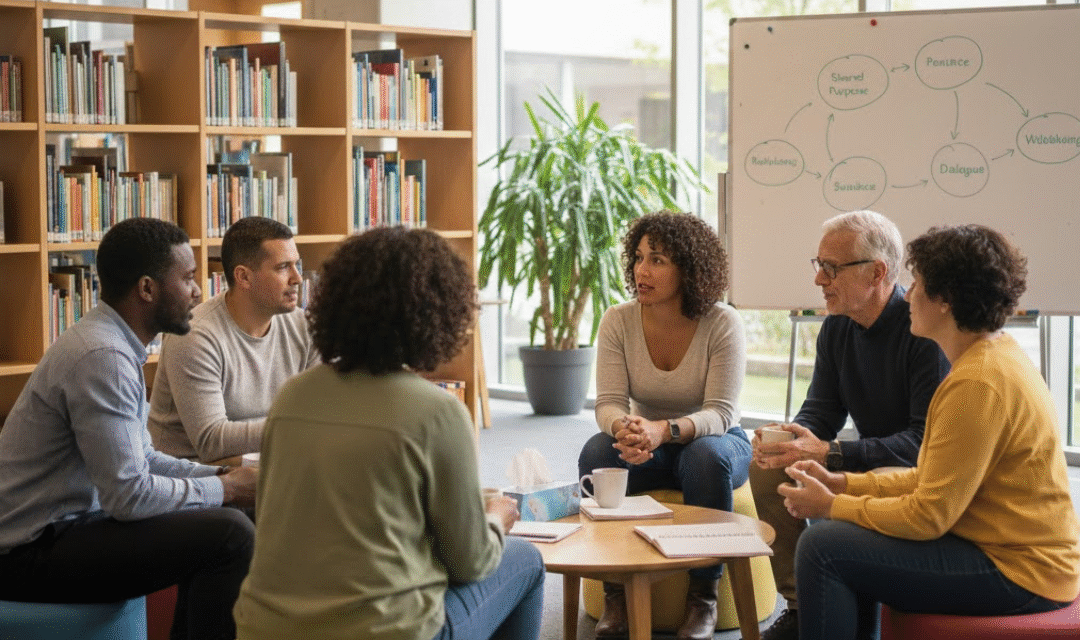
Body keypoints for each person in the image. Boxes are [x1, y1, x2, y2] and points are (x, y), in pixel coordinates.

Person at [233, 226, 545, 640]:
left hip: (267, 629)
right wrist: (495, 520)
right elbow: (471, 562)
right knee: (524, 559)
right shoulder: (438, 411)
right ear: (439, 313)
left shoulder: (293, 396)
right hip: (382, 632)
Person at [780, 224, 1080, 640]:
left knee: (823, 548)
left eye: (918, 284)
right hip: (1005, 551)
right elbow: (934, 480)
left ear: (945, 301)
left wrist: (832, 506)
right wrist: (845, 483)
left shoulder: (976, 384)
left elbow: (928, 516)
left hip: (1021, 571)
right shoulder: (990, 358)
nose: (909, 296)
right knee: (839, 538)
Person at [0, 218, 257, 640]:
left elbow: (145, 459)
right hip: (27, 551)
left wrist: (223, 478)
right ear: (147, 289)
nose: (198, 291)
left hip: (67, 528)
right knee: (228, 533)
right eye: (189, 278)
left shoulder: (111, 343)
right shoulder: (103, 356)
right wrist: (229, 489)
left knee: (226, 519)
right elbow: (128, 495)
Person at [748, 210, 949, 640]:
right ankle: (804, 605)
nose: (820, 280)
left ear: (876, 273)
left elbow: (922, 443)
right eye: (818, 266)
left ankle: (863, 617)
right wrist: (789, 438)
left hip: (910, 469)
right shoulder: (837, 328)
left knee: (867, 484)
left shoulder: (924, 333)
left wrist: (830, 453)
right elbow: (821, 412)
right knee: (764, 471)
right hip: (863, 457)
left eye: (831, 268)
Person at [578, 211, 752, 640]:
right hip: (647, 441)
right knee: (597, 451)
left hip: (717, 441)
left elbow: (721, 413)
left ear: (688, 270)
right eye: (638, 257)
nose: (642, 270)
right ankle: (615, 595)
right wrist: (625, 429)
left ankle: (703, 596)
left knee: (705, 457)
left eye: (657, 259)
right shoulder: (618, 320)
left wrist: (664, 430)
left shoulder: (722, 322)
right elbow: (609, 403)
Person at [149, 216, 319, 463]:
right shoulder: (194, 335)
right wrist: (296, 428)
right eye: (283, 267)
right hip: (195, 481)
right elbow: (211, 440)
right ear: (244, 277)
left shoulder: (305, 327)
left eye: (297, 266)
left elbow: (321, 413)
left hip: (272, 462)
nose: (297, 278)